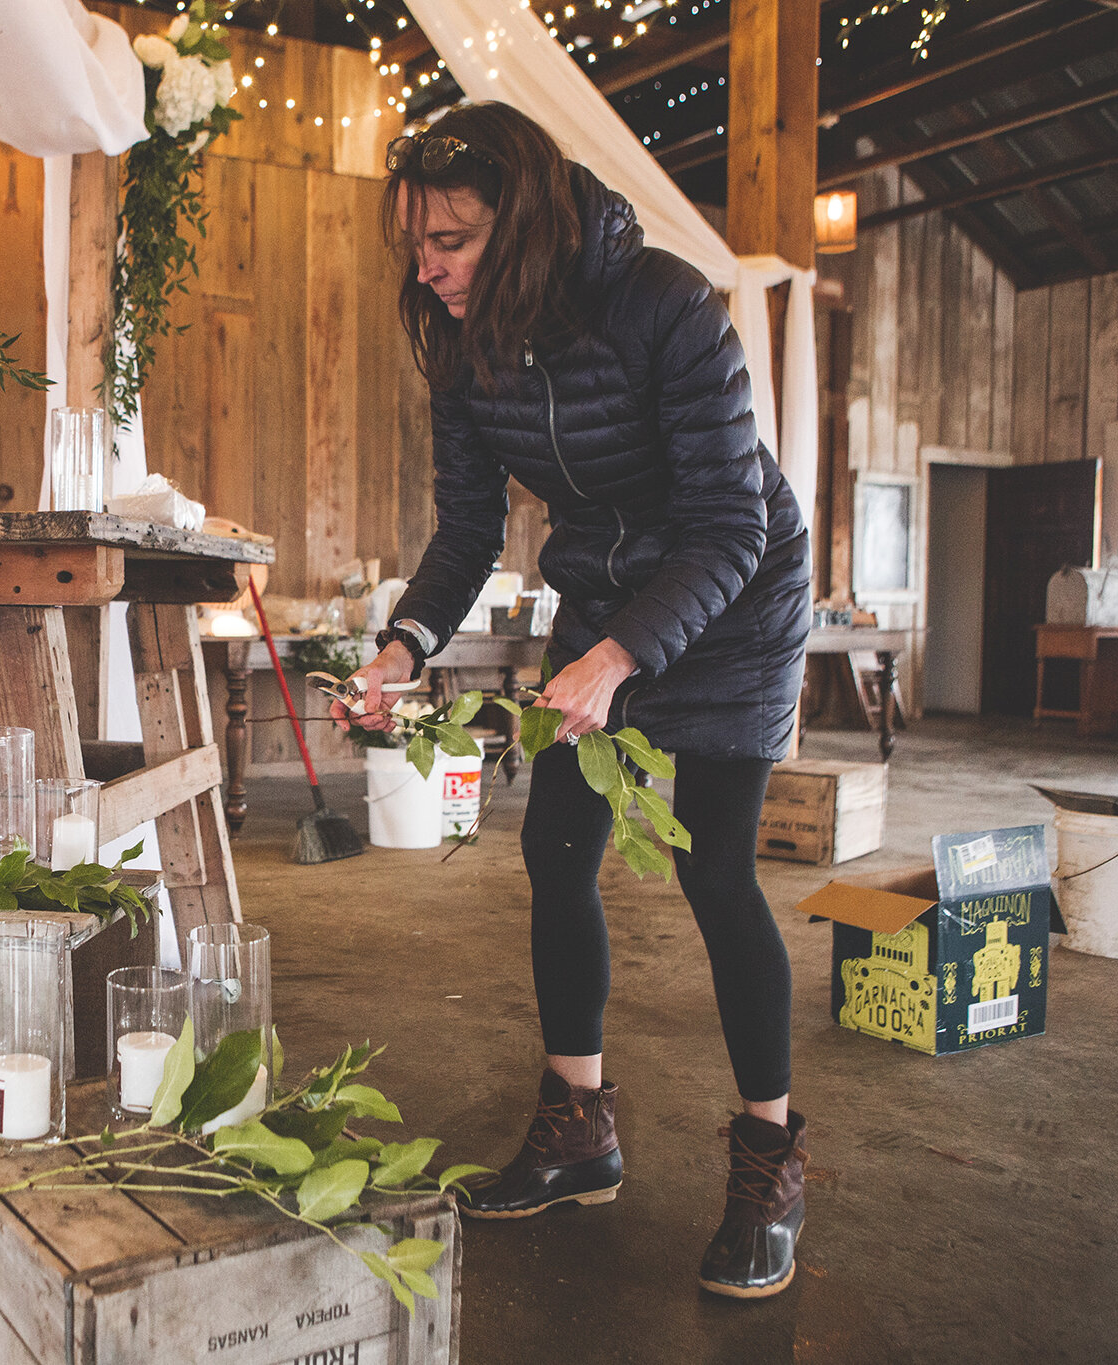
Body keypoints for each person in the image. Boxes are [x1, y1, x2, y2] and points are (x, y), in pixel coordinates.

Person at [334, 103, 814, 1299]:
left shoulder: (665, 303)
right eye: (414, 240)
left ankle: (767, 1160)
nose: (425, 264)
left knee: (714, 871)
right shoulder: (461, 339)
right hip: (603, 593)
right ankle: (578, 1128)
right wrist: (401, 646)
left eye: (450, 236)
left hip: (736, 592)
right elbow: (464, 531)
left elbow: (726, 522)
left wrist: (614, 661)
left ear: (528, 222)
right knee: (555, 850)